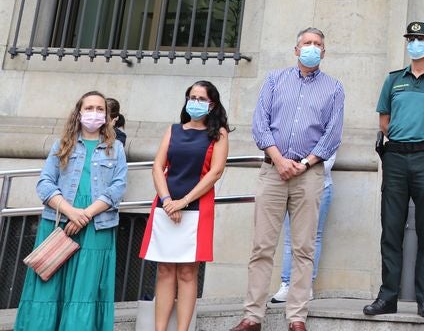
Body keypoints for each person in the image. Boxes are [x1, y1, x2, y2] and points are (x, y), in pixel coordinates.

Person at [231, 27, 345, 331]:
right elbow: (260, 124)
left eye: (317, 44)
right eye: (306, 43)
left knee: (303, 248)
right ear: (296, 50)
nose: (311, 47)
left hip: (309, 175)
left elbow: (332, 135)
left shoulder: (334, 88)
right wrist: (280, 160)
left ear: (324, 52)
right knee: (262, 247)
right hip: (272, 171)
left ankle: (296, 316)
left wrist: (304, 163)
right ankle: (252, 316)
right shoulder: (273, 80)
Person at [365, 20, 424, 319]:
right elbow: (385, 121)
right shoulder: (394, 80)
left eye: (420, 39)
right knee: (391, 229)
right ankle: (388, 297)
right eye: (411, 38)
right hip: (395, 158)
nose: (414, 43)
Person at [15, 90, 128, 331]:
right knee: (49, 285)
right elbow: (45, 184)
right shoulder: (62, 144)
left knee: (85, 289)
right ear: (78, 113)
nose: (94, 113)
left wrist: (84, 214)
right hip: (58, 223)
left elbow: (118, 187)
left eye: (100, 109)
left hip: (97, 225)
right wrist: (71, 212)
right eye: (89, 108)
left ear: (108, 117)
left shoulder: (115, 148)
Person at [141, 81, 231, 331]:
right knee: (165, 271)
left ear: (212, 104)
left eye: (201, 98)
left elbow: (215, 173)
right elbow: (158, 166)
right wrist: (168, 200)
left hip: (196, 209)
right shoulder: (173, 130)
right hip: (165, 207)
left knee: (187, 274)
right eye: (192, 97)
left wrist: (184, 201)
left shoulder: (219, 133)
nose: (195, 102)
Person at [271, 153, 335, 305]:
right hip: (289, 184)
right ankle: (287, 284)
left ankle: (306, 285)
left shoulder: (328, 130)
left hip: (320, 187)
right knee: (289, 237)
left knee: (314, 237)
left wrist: (300, 166)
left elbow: (327, 164)